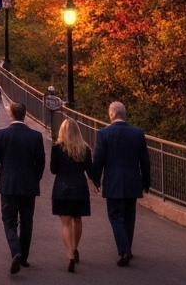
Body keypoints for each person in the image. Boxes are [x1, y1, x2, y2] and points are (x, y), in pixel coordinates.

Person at [0, 102, 46, 274]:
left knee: (9, 220)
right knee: (27, 221)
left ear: (11, 115)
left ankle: (16, 251)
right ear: (25, 115)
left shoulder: (2, 135)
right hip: (29, 185)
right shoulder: (35, 136)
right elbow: (41, 162)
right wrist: (35, 178)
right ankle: (24, 256)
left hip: (9, 184)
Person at [91, 101, 151, 267]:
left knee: (115, 216)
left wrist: (95, 178)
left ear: (112, 115)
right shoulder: (137, 133)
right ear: (124, 114)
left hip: (113, 182)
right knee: (129, 216)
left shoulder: (104, 134)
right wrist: (146, 181)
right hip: (132, 181)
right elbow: (144, 160)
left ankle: (124, 249)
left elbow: (99, 159)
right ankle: (127, 247)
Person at [52, 119, 98, 272]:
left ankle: (70, 255)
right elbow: (90, 169)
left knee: (65, 223)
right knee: (77, 220)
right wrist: (96, 183)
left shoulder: (57, 148)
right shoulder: (84, 149)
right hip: (79, 187)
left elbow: (53, 169)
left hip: (62, 188)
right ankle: (75, 248)